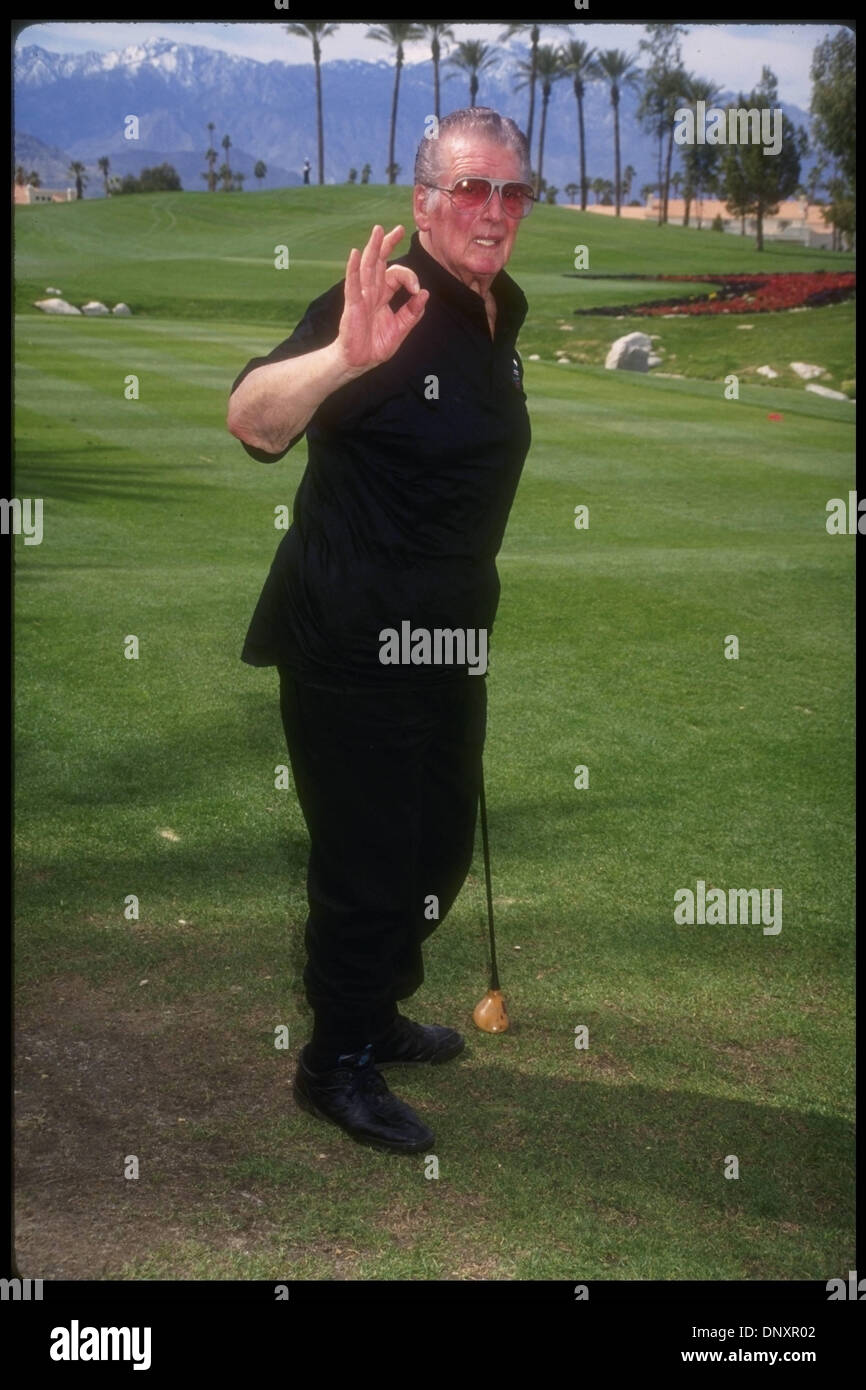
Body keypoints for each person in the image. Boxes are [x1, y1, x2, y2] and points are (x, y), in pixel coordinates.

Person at [226, 107, 534, 1155]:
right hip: (350, 640)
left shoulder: (501, 311)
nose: (490, 211)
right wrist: (341, 362)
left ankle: (377, 1009)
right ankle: (335, 1062)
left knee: (434, 852)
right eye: (467, 189)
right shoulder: (389, 296)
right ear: (423, 203)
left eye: (509, 191)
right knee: (367, 864)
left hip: (446, 644)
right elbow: (252, 420)